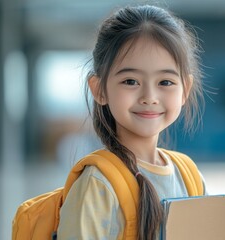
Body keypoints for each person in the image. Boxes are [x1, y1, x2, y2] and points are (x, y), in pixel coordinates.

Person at [57, 4, 206, 240]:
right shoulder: (97, 185)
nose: (149, 97)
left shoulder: (189, 175)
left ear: (184, 90)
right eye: (130, 81)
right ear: (99, 89)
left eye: (165, 82)